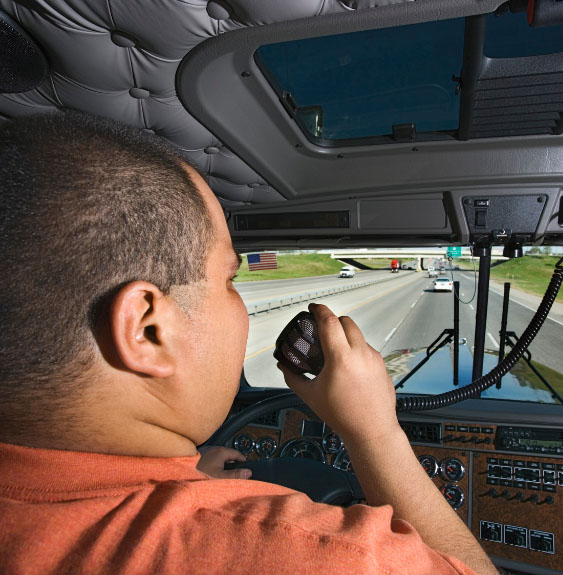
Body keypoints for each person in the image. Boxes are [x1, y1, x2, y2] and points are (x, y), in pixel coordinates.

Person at [0, 112, 498, 575]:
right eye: (230, 279)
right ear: (148, 332)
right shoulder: (301, 553)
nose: (240, 300)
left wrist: (187, 478)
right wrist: (374, 432)